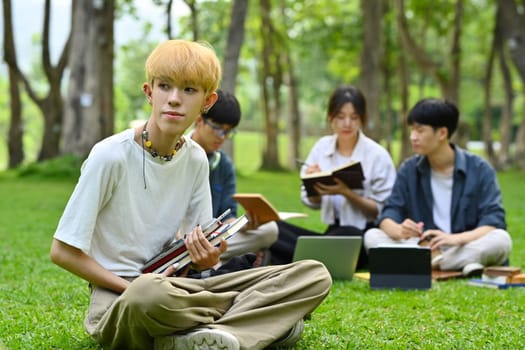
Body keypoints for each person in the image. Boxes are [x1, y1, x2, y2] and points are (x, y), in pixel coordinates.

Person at [49, 39, 331, 350]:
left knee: (314, 275)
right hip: (126, 297)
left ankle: (206, 338)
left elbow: (205, 258)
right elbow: (62, 252)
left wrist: (205, 258)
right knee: (149, 292)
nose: (173, 99)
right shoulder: (110, 156)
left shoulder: (197, 159)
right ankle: (253, 326)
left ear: (206, 102)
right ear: (149, 92)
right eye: (165, 86)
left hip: (185, 288)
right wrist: (130, 286)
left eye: (188, 90)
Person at [363, 98, 512, 276]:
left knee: (502, 240)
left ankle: (430, 264)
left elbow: (493, 221)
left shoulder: (480, 169)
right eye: (412, 130)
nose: (413, 137)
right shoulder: (409, 169)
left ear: (442, 133)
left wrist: (454, 239)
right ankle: (457, 265)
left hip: (462, 246)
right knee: (371, 236)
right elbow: (387, 216)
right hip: (421, 246)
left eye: (420, 130)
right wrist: (400, 230)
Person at [269, 85, 397, 269]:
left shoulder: (377, 155)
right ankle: (314, 256)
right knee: (274, 228)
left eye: (354, 117)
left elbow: (382, 210)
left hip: (362, 233)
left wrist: (347, 193)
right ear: (331, 117)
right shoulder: (322, 147)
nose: (347, 124)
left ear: (362, 119)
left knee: (348, 234)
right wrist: (314, 184)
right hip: (332, 232)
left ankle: (293, 256)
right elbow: (311, 201)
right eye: (340, 117)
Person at [189, 89, 279, 265]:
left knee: (270, 230)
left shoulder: (224, 165)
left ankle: (212, 259)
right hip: (184, 238)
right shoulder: (179, 153)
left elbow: (228, 214)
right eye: (217, 129)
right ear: (199, 121)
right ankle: (215, 261)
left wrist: (243, 224)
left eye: (228, 132)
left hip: (213, 238)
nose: (222, 137)